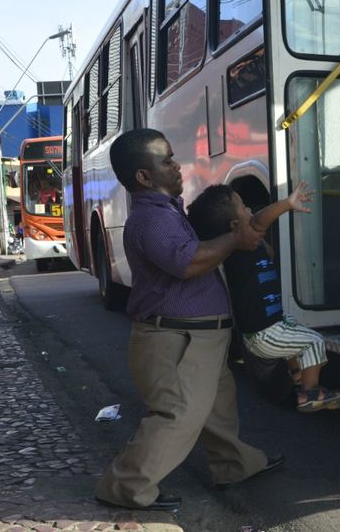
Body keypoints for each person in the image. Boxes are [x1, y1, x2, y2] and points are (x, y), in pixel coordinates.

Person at [94, 128, 283, 511]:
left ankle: (234, 466)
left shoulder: (168, 211)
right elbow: (188, 263)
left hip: (197, 338)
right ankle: (125, 487)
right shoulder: (152, 219)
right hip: (177, 341)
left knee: (216, 408)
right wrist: (236, 240)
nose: (177, 166)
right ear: (144, 177)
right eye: (166, 161)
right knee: (178, 415)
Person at [188, 183, 340, 412]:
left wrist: (261, 240)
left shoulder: (243, 248)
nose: (250, 210)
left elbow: (266, 245)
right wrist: (287, 203)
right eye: (243, 207)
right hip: (264, 334)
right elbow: (258, 222)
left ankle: (296, 376)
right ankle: (310, 393)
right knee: (313, 341)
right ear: (235, 226)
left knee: (292, 325)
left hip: (264, 330)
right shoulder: (239, 248)